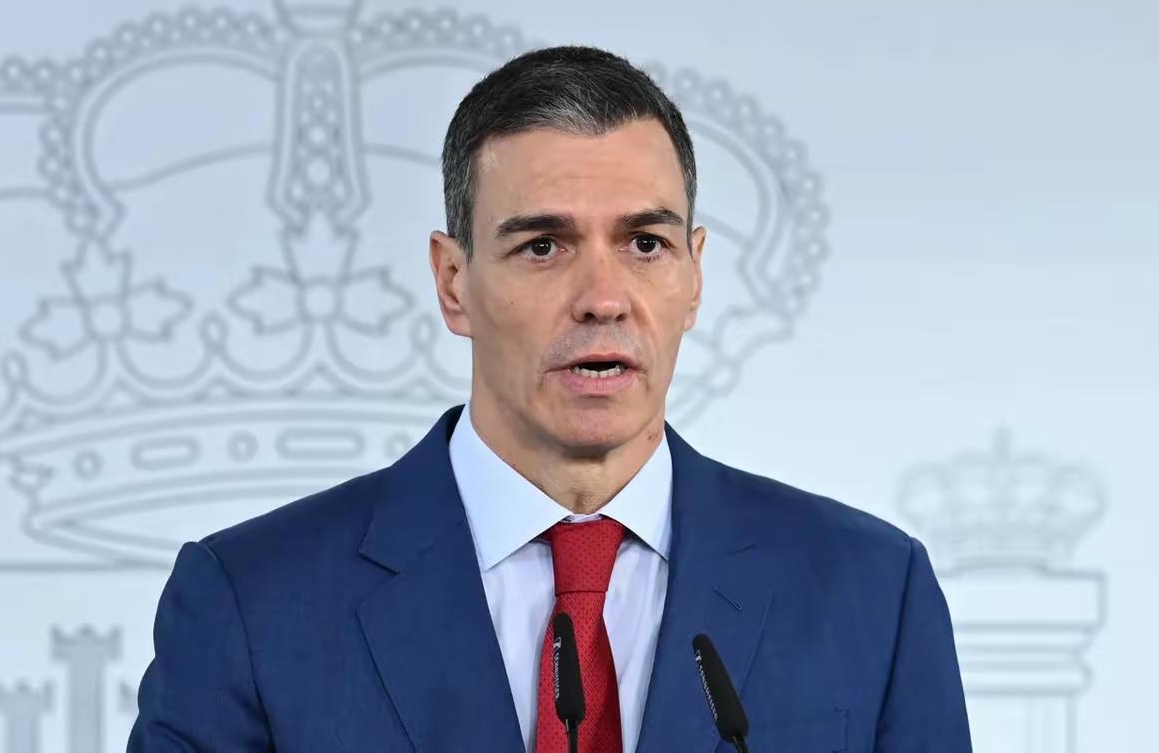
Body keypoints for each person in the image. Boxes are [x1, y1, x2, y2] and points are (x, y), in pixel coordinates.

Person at [128, 46, 971, 752]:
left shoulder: (870, 591)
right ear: (453, 283)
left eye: (646, 243)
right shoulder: (251, 602)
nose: (602, 298)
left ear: (694, 277)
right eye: (543, 246)